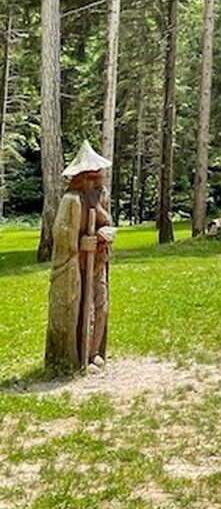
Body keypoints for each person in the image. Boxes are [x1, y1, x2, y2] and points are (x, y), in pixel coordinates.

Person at [45, 141, 116, 374]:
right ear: (82, 179)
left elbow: (107, 223)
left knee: (101, 306)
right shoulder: (71, 201)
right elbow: (61, 234)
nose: (99, 182)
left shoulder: (101, 197)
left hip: (98, 264)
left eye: (100, 177)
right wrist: (79, 244)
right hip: (77, 268)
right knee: (81, 310)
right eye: (93, 178)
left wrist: (107, 233)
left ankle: (93, 352)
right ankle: (76, 355)